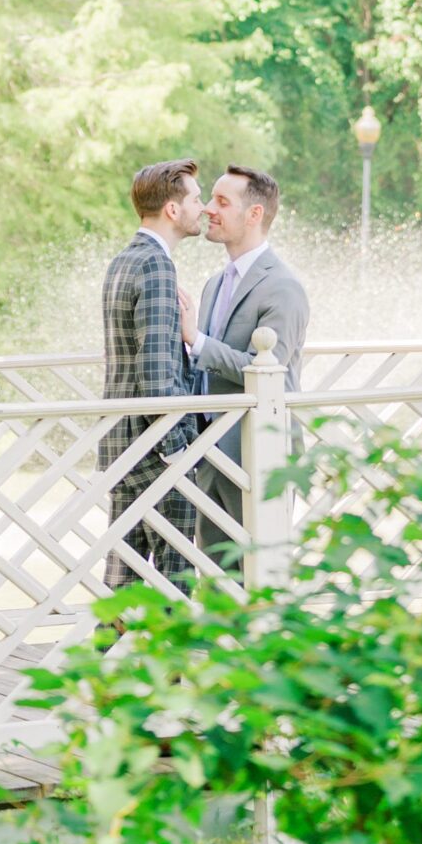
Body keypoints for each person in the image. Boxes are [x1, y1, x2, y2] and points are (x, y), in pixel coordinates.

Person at [179, 165, 309, 557]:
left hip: (259, 455)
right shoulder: (215, 284)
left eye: (222, 202)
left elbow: (266, 370)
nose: (207, 210)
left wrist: (195, 339)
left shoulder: (283, 286)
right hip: (210, 454)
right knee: (217, 581)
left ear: (255, 214)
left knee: (262, 575)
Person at [99, 158, 206, 588]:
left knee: (123, 573)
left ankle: (110, 649)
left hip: (122, 440)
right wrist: (177, 450)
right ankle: (175, 656)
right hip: (153, 449)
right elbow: (157, 371)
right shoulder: (157, 266)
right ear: (173, 210)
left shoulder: (123, 260)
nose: (202, 208)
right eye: (196, 199)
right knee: (174, 572)